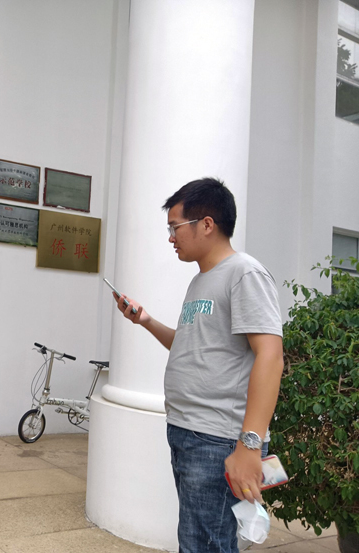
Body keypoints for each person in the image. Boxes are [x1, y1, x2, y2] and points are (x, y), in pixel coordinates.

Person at [114, 178, 284, 553]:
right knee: (200, 540)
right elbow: (190, 346)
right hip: (189, 432)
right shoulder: (201, 281)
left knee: (204, 545)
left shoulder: (244, 273)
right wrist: (146, 321)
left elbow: (271, 356)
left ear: (206, 224)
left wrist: (249, 446)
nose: (171, 238)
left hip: (218, 438)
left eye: (175, 227)